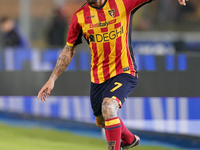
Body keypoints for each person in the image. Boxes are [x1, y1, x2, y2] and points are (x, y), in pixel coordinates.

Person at [38, 0, 189, 150]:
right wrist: (52, 79)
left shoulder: (122, 3)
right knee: (102, 121)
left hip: (124, 71)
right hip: (98, 77)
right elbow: (69, 49)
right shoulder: (80, 17)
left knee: (108, 107)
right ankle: (130, 140)